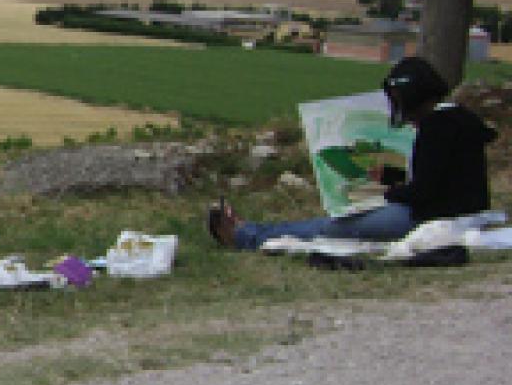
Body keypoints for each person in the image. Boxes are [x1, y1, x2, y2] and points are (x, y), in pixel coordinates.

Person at [209, 56, 497, 251]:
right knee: (335, 224)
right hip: (454, 212)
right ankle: (250, 231)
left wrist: (386, 195)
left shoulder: (437, 128)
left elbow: (424, 190)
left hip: (431, 218)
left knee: (334, 227)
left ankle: (245, 236)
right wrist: (392, 178)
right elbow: (442, 175)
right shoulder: (456, 118)